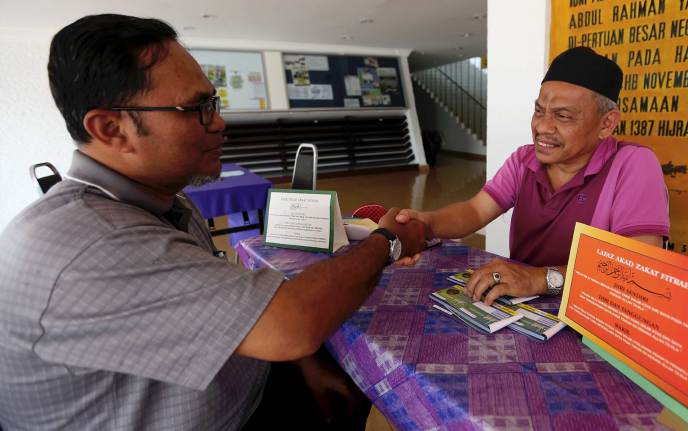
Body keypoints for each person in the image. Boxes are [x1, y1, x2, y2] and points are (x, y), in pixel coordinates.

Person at [0, 14, 427, 431]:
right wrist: (387, 240)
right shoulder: (90, 245)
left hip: (239, 386)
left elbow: (237, 309)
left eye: (213, 103)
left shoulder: (167, 204)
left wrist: (303, 361)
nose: (220, 123)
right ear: (112, 129)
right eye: (197, 108)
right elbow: (289, 324)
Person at [396, 46, 669, 305]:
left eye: (562, 116)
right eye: (539, 111)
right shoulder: (524, 160)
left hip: (591, 312)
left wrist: (539, 279)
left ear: (606, 124)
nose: (542, 126)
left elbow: (638, 268)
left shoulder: (632, 164)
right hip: (520, 304)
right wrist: (428, 223)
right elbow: (475, 211)